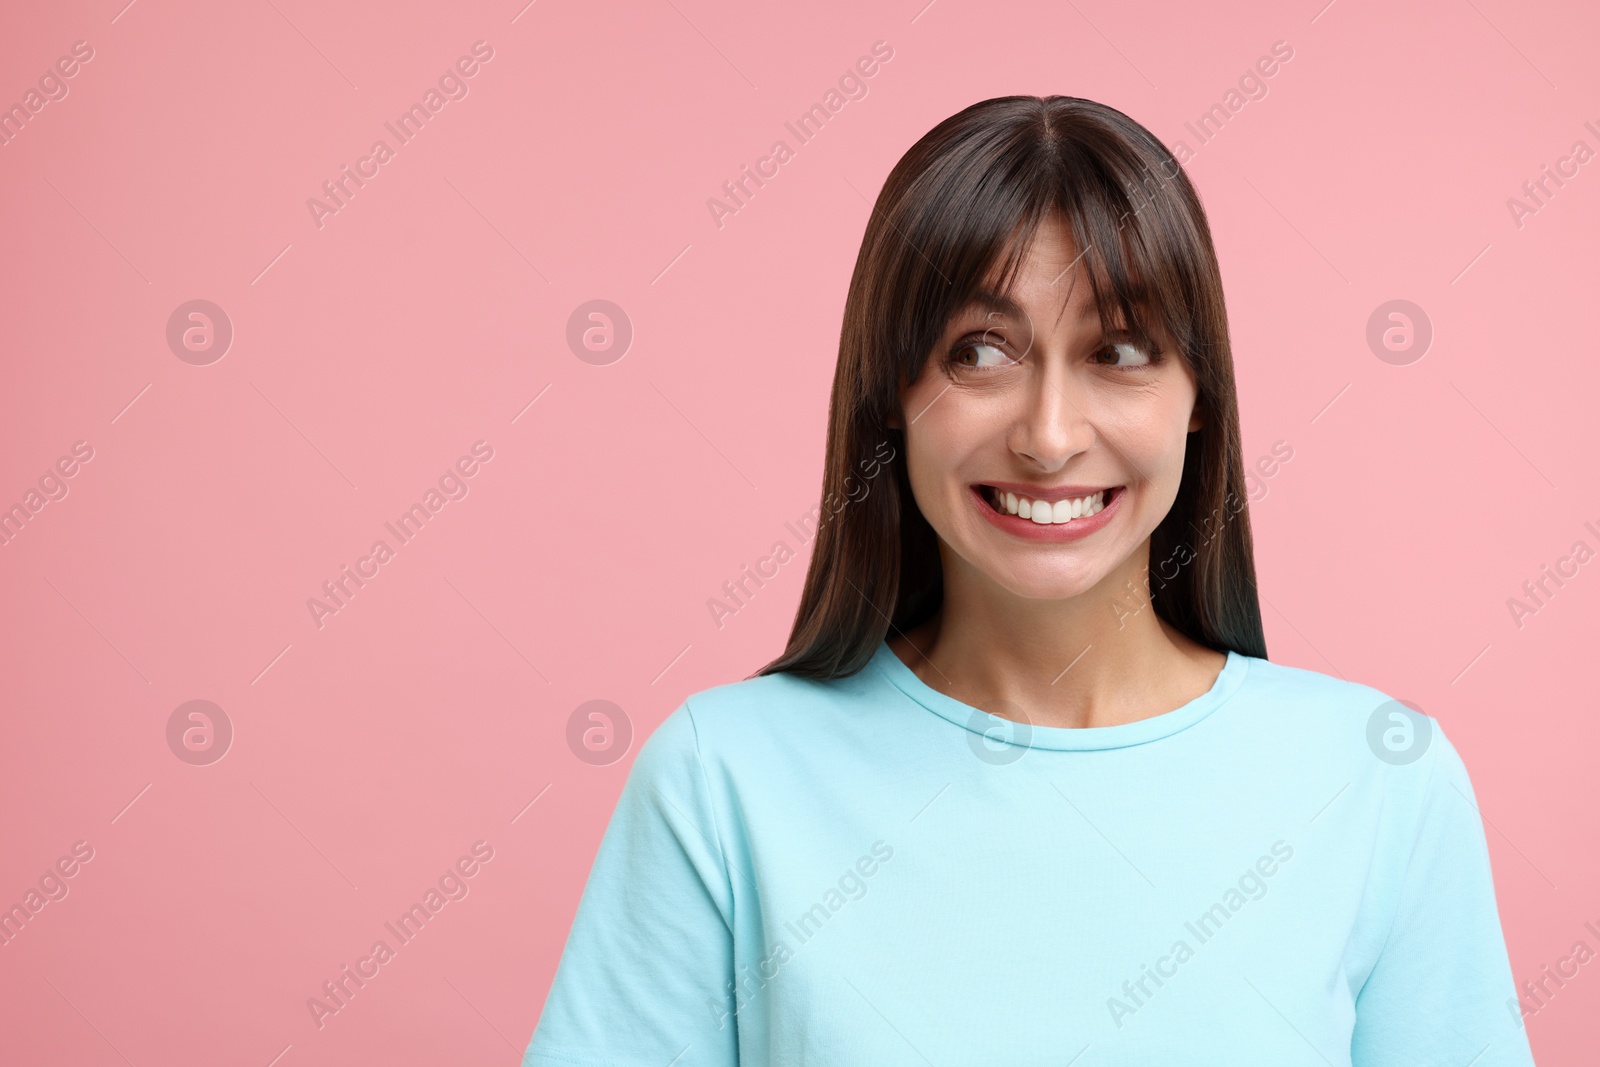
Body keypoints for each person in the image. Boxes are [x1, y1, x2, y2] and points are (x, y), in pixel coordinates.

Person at [522, 96, 1536, 1066]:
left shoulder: (1376, 779)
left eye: (1119, 350)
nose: (1048, 434)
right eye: (980, 351)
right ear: (891, 394)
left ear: (1199, 397)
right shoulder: (721, 778)